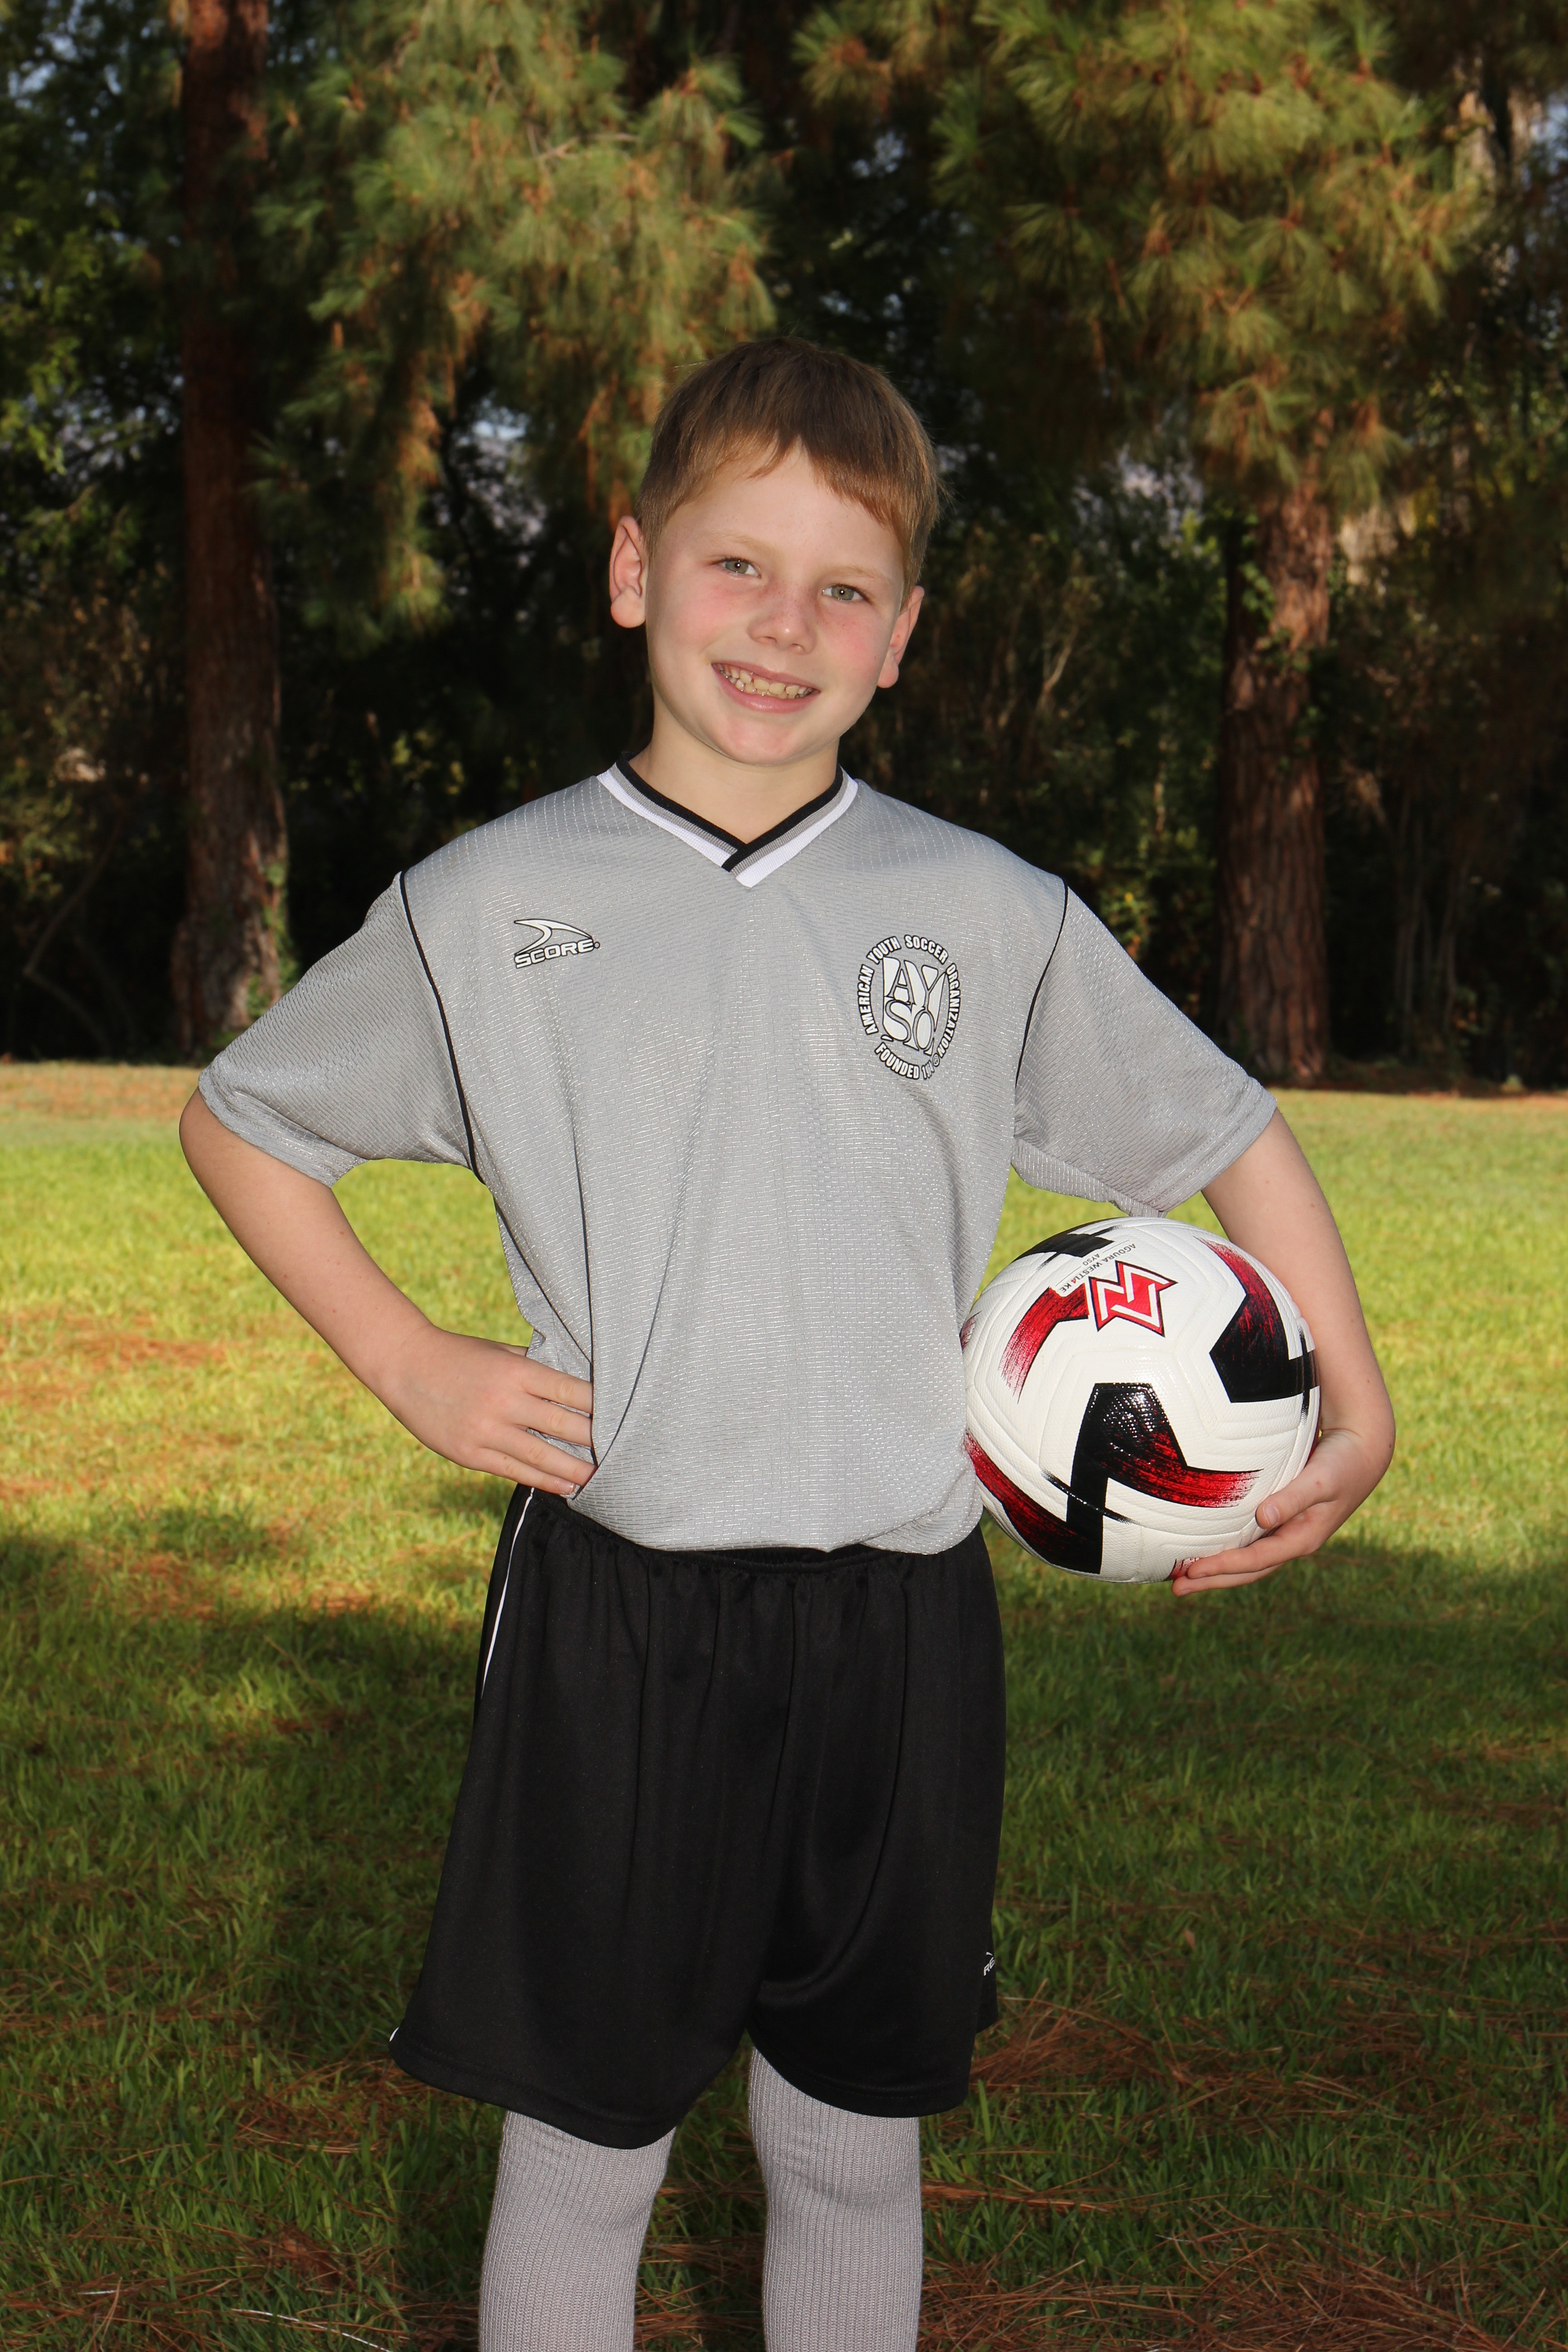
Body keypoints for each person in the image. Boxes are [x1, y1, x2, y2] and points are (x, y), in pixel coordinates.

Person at [180, 338, 1395, 2351]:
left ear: (902, 637)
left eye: (844, 589)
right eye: (737, 566)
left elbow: (1226, 1129)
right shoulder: (492, 904)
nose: (783, 626)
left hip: (901, 1617)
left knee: (852, 2141)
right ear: (632, 569)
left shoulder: (985, 909)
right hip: (621, 1606)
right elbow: (245, 1121)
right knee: (587, 2150)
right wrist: (410, 1360)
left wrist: (1353, 1397)